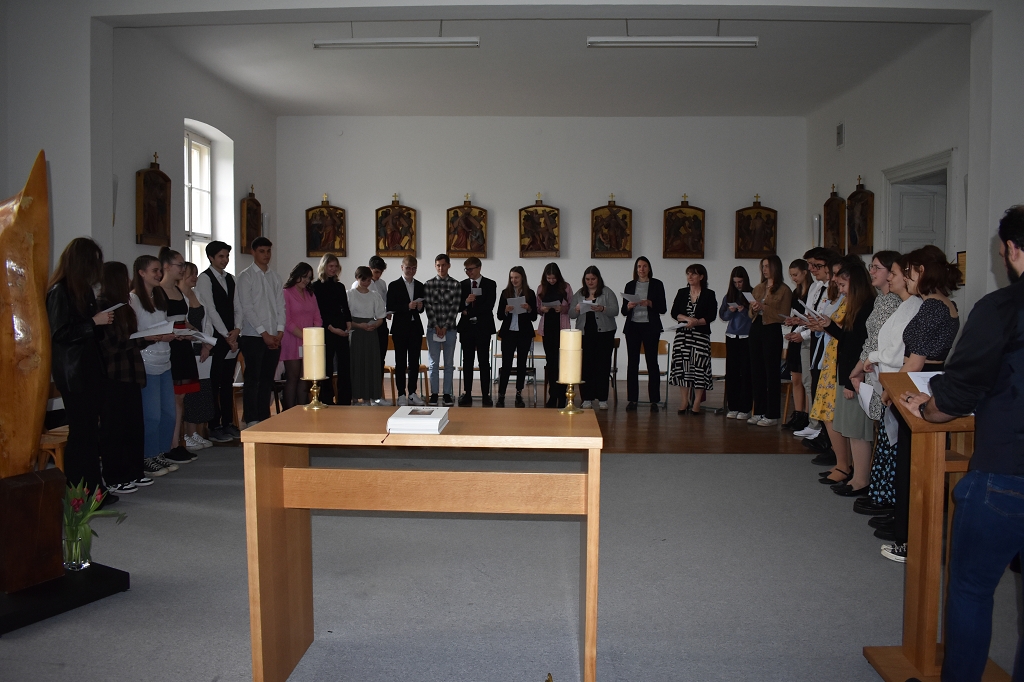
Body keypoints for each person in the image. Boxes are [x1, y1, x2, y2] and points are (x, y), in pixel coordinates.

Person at [900, 206, 1024, 682]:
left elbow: (958, 391)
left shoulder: (1002, 308)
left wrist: (928, 408)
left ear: (1012, 250)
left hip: (1006, 471)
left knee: (971, 589)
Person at [882, 244, 961, 562]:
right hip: (929, 380)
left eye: (909, 271)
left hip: (917, 385)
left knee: (912, 466)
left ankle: (908, 540)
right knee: (917, 464)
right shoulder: (945, 303)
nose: (906, 277)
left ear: (923, 271)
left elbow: (915, 362)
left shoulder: (932, 307)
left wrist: (890, 389)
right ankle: (910, 533)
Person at [47, 238, 115, 501]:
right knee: (81, 434)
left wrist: (100, 323)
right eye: (94, 261)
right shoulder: (59, 291)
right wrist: (93, 322)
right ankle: (81, 492)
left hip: (90, 369)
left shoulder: (83, 290)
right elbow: (60, 333)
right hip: (74, 373)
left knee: (89, 434)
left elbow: (89, 332)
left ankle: (95, 488)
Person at [854, 257, 922, 518]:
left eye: (892, 273)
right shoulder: (902, 304)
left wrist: (872, 358)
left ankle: (891, 502)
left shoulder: (914, 306)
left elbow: (897, 350)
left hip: (898, 380)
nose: (890, 278)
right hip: (887, 377)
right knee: (887, 441)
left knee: (894, 444)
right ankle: (883, 495)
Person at [806, 256, 876, 493]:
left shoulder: (866, 306)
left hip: (854, 375)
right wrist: (829, 325)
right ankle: (855, 475)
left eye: (843, 285)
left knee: (857, 430)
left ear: (854, 283)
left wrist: (849, 380)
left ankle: (860, 479)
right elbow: (846, 340)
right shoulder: (857, 305)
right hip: (847, 371)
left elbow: (859, 347)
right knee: (850, 428)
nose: (842, 291)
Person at [96, 261, 151, 494]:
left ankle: (134, 471)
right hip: (113, 375)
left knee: (134, 425)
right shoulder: (101, 307)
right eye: (125, 276)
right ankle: (114, 476)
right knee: (114, 428)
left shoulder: (125, 306)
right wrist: (143, 338)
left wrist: (149, 338)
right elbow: (110, 345)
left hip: (132, 372)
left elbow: (132, 339)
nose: (128, 281)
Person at [130, 254, 181, 479]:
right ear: (141, 273)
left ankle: (160, 452)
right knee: (152, 416)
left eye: (160, 270)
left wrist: (173, 333)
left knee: (168, 413)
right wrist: (158, 336)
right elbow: (134, 333)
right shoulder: (133, 299)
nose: (159, 274)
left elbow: (162, 324)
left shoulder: (158, 295)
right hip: (146, 361)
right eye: (155, 270)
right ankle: (147, 456)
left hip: (164, 359)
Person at [195, 240, 242, 443]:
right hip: (216, 338)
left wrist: (237, 329)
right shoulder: (204, 279)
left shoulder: (231, 278)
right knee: (215, 382)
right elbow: (210, 309)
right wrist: (226, 335)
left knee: (227, 381)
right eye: (221, 256)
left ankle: (228, 422)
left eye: (227, 256)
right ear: (211, 257)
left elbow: (238, 306)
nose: (225, 260)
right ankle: (214, 426)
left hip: (232, 336)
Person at [157, 247, 200, 464]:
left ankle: (176, 442)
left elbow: (183, 319)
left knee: (180, 397)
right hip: (168, 346)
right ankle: (167, 445)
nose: (183, 268)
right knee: (170, 397)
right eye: (180, 265)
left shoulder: (178, 291)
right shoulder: (158, 292)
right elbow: (158, 323)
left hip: (182, 345)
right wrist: (177, 332)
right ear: (166, 266)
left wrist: (195, 332)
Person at [237, 236, 285, 428]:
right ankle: (251, 418)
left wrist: (279, 331)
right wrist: (264, 333)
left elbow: (281, 306)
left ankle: (264, 416)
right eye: (262, 251)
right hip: (253, 335)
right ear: (253, 252)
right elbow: (247, 308)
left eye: (268, 251)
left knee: (267, 379)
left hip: (274, 335)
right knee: (253, 379)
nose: (266, 255)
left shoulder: (275, 277)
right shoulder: (246, 276)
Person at [747, 255, 793, 426]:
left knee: (771, 373)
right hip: (756, 328)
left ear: (775, 267)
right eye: (763, 266)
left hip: (772, 330)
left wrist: (764, 307)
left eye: (767, 266)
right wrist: (754, 308)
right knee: (756, 371)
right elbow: (750, 314)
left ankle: (772, 414)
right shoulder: (758, 288)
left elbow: (784, 315)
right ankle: (758, 410)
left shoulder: (784, 290)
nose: (764, 269)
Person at [669, 264, 717, 414]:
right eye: (688, 273)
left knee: (699, 369)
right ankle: (684, 401)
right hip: (683, 336)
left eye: (694, 274)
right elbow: (674, 312)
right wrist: (687, 319)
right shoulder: (682, 292)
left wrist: (696, 322)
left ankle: (696, 402)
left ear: (701, 277)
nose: (690, 276)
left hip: (700, 336)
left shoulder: (709, 294)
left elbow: (711, 316)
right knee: (683, 368)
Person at [621, 256, 668, 412]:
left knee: (652, 362)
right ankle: (632, 399)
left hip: (650, 327)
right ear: (636, 269)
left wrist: (650, 303)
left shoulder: (657, 284)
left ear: (649, 268)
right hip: (633, 328)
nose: (642, 269)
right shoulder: (630, 285)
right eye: (639, 266)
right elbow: (623, 311)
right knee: (632, 363)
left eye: (644, 266)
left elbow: (663, 308)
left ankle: (654, 400)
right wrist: (629, 306)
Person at [569, 266, 618, 409]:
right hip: (585, 334)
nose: (590, 282)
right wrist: (577, 309)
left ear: (598, 279)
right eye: (587, 279)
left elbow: (615, 310)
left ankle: (603, 399)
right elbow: (571, 314)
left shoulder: (607, 292)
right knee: (586, 366)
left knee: (603, 366)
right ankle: (587, 398)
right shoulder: (579, 294)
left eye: (593, 279)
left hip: (604, 333)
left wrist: (602, 308)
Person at [180, 262, 215, 452]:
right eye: (191, 274)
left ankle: (194, 433)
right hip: (186, 347)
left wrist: (206, 343)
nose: (195, 277)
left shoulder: (198, 295)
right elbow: (183, 324)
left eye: (195, 273)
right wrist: (199, 338)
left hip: (202, 346)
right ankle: (185, 434)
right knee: (188, 393)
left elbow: (207, 320)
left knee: (201, 390)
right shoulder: (179, 296)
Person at [309, 253, 352, 406]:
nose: (333, 269)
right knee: (326, 366)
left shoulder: (340, 286)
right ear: (324, 266)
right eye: (330, 266)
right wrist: (332, 328)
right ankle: (327, 398)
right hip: (326, 329)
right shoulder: (316, 286)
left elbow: (345, 307)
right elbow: (319, 311)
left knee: (344, 366)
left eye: (335, 266)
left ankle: (344, 399)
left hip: (341, 329)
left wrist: (348, 323)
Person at [386, 255, 426, 406]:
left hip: (415, 328)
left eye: (414, 268)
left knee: (414, 362)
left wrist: (420, 307)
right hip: (400, 329)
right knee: (400, 362)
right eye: (408, 268)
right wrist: (406, 306)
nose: (411, 271)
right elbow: (391, 306)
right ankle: (401, 394)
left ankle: (412, 393)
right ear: (402, 267)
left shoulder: (420, 285)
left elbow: (422, 309)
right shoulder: (394, 285)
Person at [456, 257, 497, 407]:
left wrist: (469, 312)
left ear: (479, 268)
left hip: (483, 327)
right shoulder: (462, 285)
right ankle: (467, 393)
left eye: (471, 269)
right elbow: (457, 306)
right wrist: (466, 302)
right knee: (467, 362)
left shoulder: (490, 284)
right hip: (466, 328)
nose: (469, 272)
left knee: (484, 361)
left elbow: (489, 305)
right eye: (466, 269)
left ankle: (486, 394)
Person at [281, 262, 322, 409]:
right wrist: (306, 336)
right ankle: (289, 411)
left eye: (309, 278)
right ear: (296, 275)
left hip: (309, 342)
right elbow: (287, 321)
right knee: (293, 378)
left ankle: (302, 410)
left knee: (305, 379)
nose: (306, 280)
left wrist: (315, 334)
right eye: (304, 277)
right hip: (292, 339)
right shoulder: (286, 293)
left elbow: (317, 316)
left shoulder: (310, 294)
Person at [496, 266, 538, 408]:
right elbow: (499, 315)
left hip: (524, 333)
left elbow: (534, 317)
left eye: (516, 277)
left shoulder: (530, 293)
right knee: (506, 364)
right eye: (511, 277)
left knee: (522, 364)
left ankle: (519, 394)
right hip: (509, 333)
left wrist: (529, 308)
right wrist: (505, 310)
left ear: (522, 278)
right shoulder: (505, 293)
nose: (513, 280)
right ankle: (501, 395)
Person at [423, 253, 461, 406]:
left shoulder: (456, 285)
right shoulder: (428, 284)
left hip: (450, 329)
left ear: (449, 265)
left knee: (448, 363)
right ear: (435, 266)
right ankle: (434, 394)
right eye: (438, 265)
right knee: (433, 363)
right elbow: (428, 307)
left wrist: (445, 327)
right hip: (433, 329)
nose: (441, 268)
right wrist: (437, 326)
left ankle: (446, 394)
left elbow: (455, 308)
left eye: (444, 265)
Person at [353, 255, 390, 404]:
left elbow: (383, 307)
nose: (377, 276)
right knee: (360, 362)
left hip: (376, 327)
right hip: (359, 329)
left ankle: (375, 395)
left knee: (376, 361)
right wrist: (360, 324)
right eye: (375, 272)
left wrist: (383, 317)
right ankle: (358, 395)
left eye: (380, 273)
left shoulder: (381, 286)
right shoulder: (353, 289)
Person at [536, 262, 573, 408]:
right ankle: (553, 395)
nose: (551, 280)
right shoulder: (541, 288)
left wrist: (563, 308)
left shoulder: (566, 287)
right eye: (549, 278)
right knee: (551, 363)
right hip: (547, 329)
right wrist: (542, 309)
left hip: (562, 329)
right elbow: (538, 308)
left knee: (562, 363)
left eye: (554, 278)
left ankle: (563, 396)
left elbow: (572, 307)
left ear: (558, 276)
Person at [719, 267, 753, 419]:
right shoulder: (729, 296)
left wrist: (743, 310)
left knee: (745, 372)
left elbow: (755, 315)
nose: (738, 285)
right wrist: (730, 311)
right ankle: (732, 406)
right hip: (731, 336)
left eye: (740, 282)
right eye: (735, 282)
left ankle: (745, 408)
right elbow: (723, 316)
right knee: (732, 372)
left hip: (747, 336)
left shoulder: (752, 294)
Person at [782, 259, 811, 431]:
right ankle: (798, 413)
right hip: (796, 334)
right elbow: (796, 314)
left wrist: (800, 321)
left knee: (807, 379)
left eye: (796, 274)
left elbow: (813, 317)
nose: (793, 278)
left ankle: (807, 415)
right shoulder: (796, 292)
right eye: (791, 275)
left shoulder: (813, 291)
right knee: (796, 378)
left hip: (806, 336)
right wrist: (792, 320)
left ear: (805, 273)